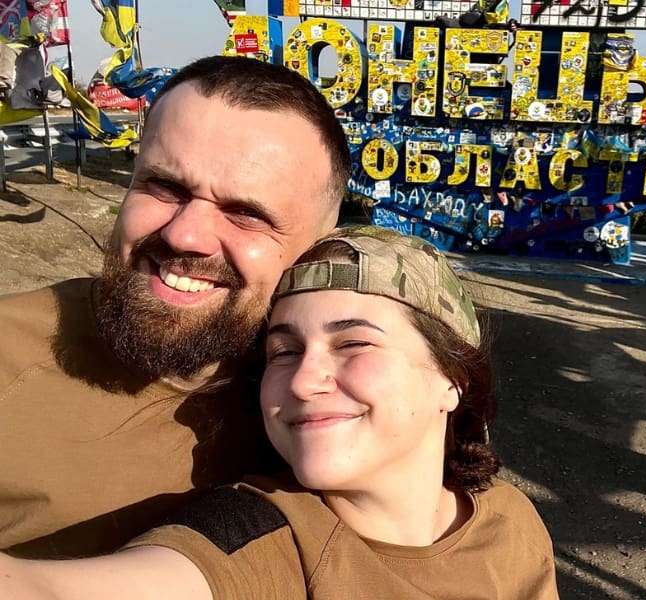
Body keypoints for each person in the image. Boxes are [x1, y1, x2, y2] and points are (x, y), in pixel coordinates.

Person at [0, 226, 560, 599]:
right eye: (284, 351)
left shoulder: (508, 519)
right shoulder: (261, 541)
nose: (302, 379)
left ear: (452, 379)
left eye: (354, 343)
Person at [0, 55, 350, 558]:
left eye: (246, 213)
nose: (185, 235)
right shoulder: (10, 357)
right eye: (164, 187)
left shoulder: (355, 389)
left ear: (318, 248)